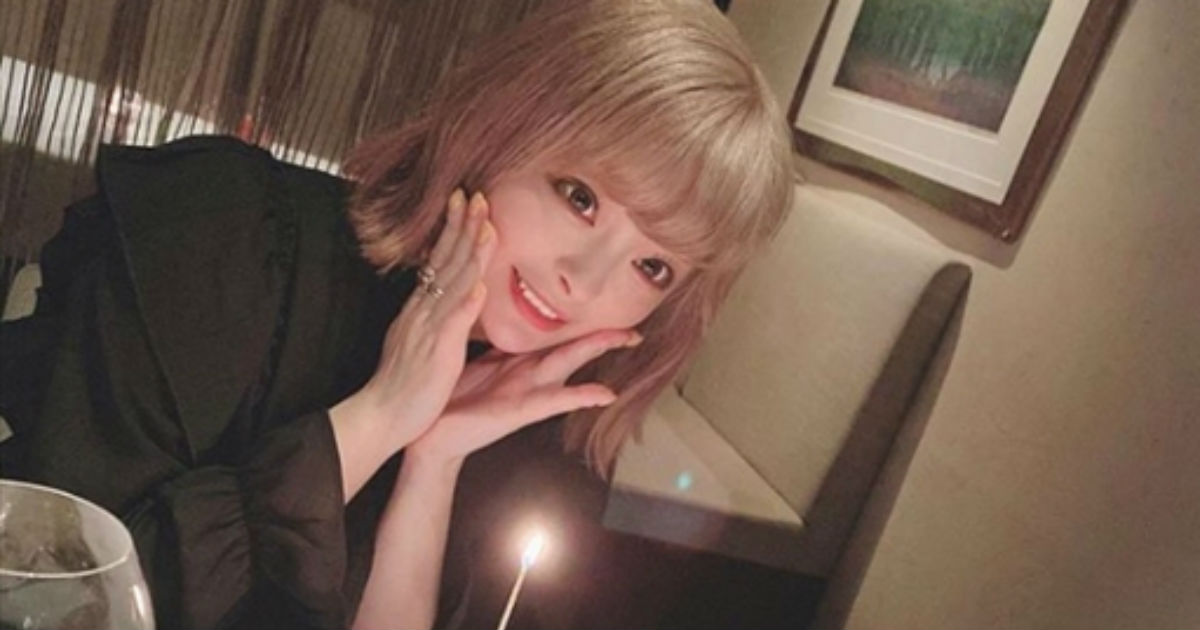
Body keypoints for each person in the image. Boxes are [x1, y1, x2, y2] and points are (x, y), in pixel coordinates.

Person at [0, 0, 794, 628]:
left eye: (653, 266)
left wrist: (433, 461)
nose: (583, 282)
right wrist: (379, 416)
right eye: (580, 197)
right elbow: (54, 592)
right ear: (503, 129)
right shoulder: (228, 235)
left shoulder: (544, 443)